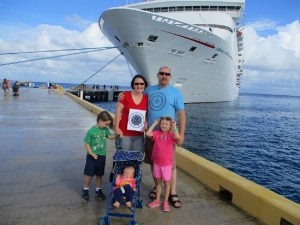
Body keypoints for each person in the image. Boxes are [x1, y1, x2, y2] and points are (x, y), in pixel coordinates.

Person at [119, 66, 186, 208]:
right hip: (151, 135)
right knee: (154, 163)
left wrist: (181, 134)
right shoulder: (149, 90)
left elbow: (181, 114)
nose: (164, 76)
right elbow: (136, 96)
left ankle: (173, 193)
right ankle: (157, 187)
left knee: (171, 165)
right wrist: (121, 95)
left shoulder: (176, 93)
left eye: (167, 74)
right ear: (157, 75)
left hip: (167, 137)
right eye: (161, 73)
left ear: (170, 76)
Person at [146, 116, 180, 211]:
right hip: (157, 163)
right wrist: (155, 124)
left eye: (166, 124)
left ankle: (165, 202)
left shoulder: (172, 135)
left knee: (167, 183)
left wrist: (175, 126)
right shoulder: (157, 133)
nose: (164, 125)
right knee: (158, 182)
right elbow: (148, 133)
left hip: (166, 164)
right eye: (162, 124)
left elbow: (178, 137)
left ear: (170, 126)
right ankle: (157, 200)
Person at [81, 111, 116, 202]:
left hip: (101, 156)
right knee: (89, 175)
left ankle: (98, 190)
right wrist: (91, 153)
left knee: (99, 174)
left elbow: (111, 137)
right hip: (92, 156)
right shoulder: (91, 131)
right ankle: (85, 190)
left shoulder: (105, 130)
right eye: (106, 124)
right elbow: (87, 144)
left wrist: (117, 134)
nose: (106, 126)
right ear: (100, 120)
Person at [115, 74, 148, 151]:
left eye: (141, 84)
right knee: (124, 158)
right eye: (136, 83)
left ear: (144, 85)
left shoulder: (146, 98)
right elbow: (118, 111)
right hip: (124, 133)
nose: (139, 86)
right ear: (133, 85)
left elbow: (146, 113)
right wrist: (116, 128)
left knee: (136, 160)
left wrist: (146, 123)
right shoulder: (125, 95)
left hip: (139, 135)